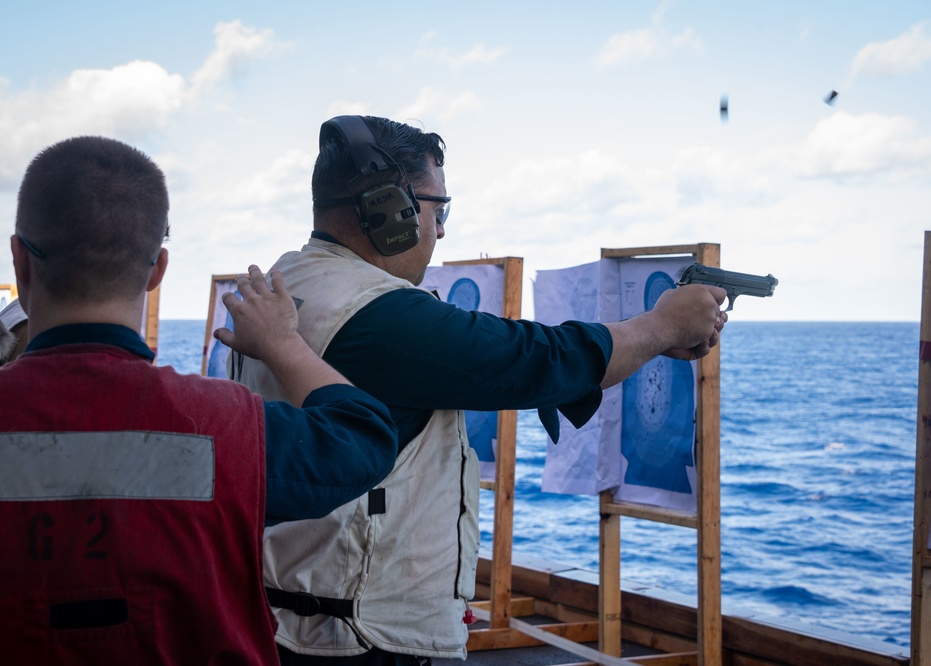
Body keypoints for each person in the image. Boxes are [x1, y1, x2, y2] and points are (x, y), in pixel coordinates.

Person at [232, 115, 727, 666]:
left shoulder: (291, 281)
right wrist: (659, 328)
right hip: (366, 640)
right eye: (436, 209)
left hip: (296, 620)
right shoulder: (372, 312)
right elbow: (534, 359)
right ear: (388, 211)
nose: (441, 230)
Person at [0, 136, 399, 665]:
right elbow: (363, 436)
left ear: (20, 262)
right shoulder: (226, 425)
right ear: (158, 270)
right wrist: (282, 344)